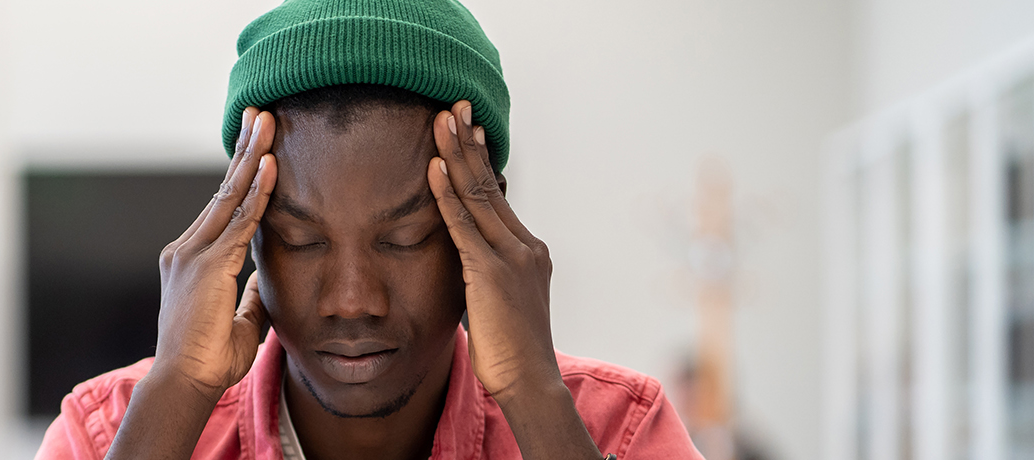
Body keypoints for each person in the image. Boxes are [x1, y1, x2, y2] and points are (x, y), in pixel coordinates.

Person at [37, 1, 703, 459]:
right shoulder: (107, 434)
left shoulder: (618, 431)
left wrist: (535, 397)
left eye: (405, 239)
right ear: (246, 236)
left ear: (486, 229)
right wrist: (177, 392)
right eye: (301, 240)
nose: (352, 301)